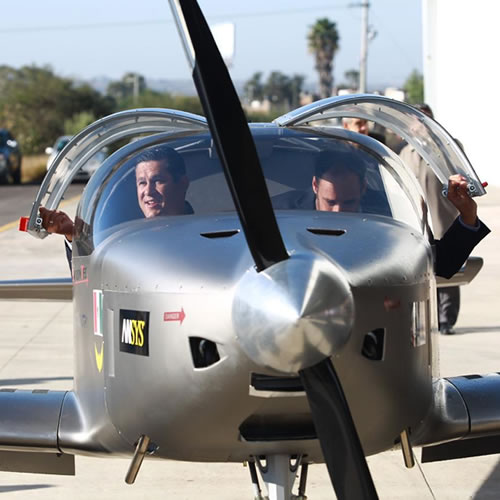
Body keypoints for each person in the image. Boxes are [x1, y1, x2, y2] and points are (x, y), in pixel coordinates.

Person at [38, 145, 190, 265]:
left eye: (158, 181)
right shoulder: (124, 241)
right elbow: (91, 278)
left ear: (182, 184)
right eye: (142, 182)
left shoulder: (202, 236)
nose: (148, 191)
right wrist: (73, 234)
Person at [400, 103, 461, 334]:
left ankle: (447, 319)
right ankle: (422, 320)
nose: (419, 125)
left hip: (443, 217)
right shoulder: (405, 152)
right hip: (417, 223)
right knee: (421, 272)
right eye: (415, 120)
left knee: (449, 271)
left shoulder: (447, 147)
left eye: (423, 119)